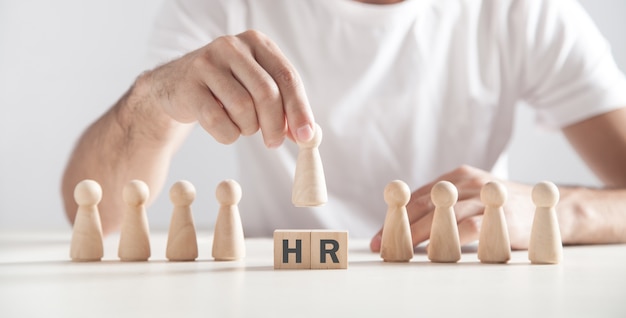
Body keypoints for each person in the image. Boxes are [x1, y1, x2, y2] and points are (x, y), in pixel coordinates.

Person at [61, 0, 626, 252]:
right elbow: (93, 212)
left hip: (462, 285)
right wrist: (153, 99)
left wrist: (560, 211)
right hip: (272, 294)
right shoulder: (222, 6)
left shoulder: (526, 9)